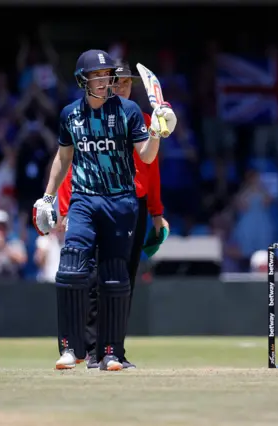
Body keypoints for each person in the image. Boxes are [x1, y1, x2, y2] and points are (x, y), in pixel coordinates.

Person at [32, 49, 177, 371]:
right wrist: (47, 197)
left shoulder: (128, 111)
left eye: (106, 75)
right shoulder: (70, 114)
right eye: (96, 76)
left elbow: (148, 157)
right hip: (84, 199)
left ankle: (111, 353)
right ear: (83, 80)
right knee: (71, 268)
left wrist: (158, 131)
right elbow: (63, 157)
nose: (103, 81)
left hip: (121, 201)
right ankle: (72, 349)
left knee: (115, 277)